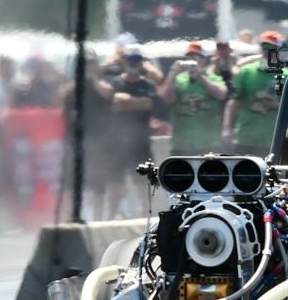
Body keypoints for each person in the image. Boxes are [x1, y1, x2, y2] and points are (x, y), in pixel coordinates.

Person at [63, 54, 118, 221]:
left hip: (99, 139)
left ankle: (98, 219)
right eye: (85, 64)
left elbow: (108, 94)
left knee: (98, 184)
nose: (88, 66)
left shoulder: (104, 82)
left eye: (91, 63)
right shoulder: (73, 86)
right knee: (73, 182)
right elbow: (61, 97)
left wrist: (93, 78)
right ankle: (74, 217)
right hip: (76, 139)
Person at [108, 46, 158, 217]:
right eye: (130, 61)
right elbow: (114, 104)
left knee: (142, 181)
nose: (133, 64)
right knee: (115, 181)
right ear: (124, 62)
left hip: (141, 140)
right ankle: (110, 217)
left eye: (136, 61)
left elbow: (149, 104)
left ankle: (146, 215)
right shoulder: (116, 83)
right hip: (118, 140)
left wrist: (127, 100)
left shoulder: (147, 84)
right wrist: (138, 102)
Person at [222, 30, 286, 156]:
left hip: (273, 140)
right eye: (265, 47)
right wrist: (227, 128)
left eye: (272, 48)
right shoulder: (246, 72)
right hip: (246, 137)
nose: (268, 51)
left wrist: (276, 105)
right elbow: (234, 102)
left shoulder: (287, 75)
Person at [159, 42, 228, 156]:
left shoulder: (213, 78)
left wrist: (201, 78)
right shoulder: (178, 80)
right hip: (182, 143)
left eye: (196, 57)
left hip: (208, 143)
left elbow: (221, 94)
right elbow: (167, 98)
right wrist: (173, 74)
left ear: (203, 60)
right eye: (189, 58)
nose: (192, 61)